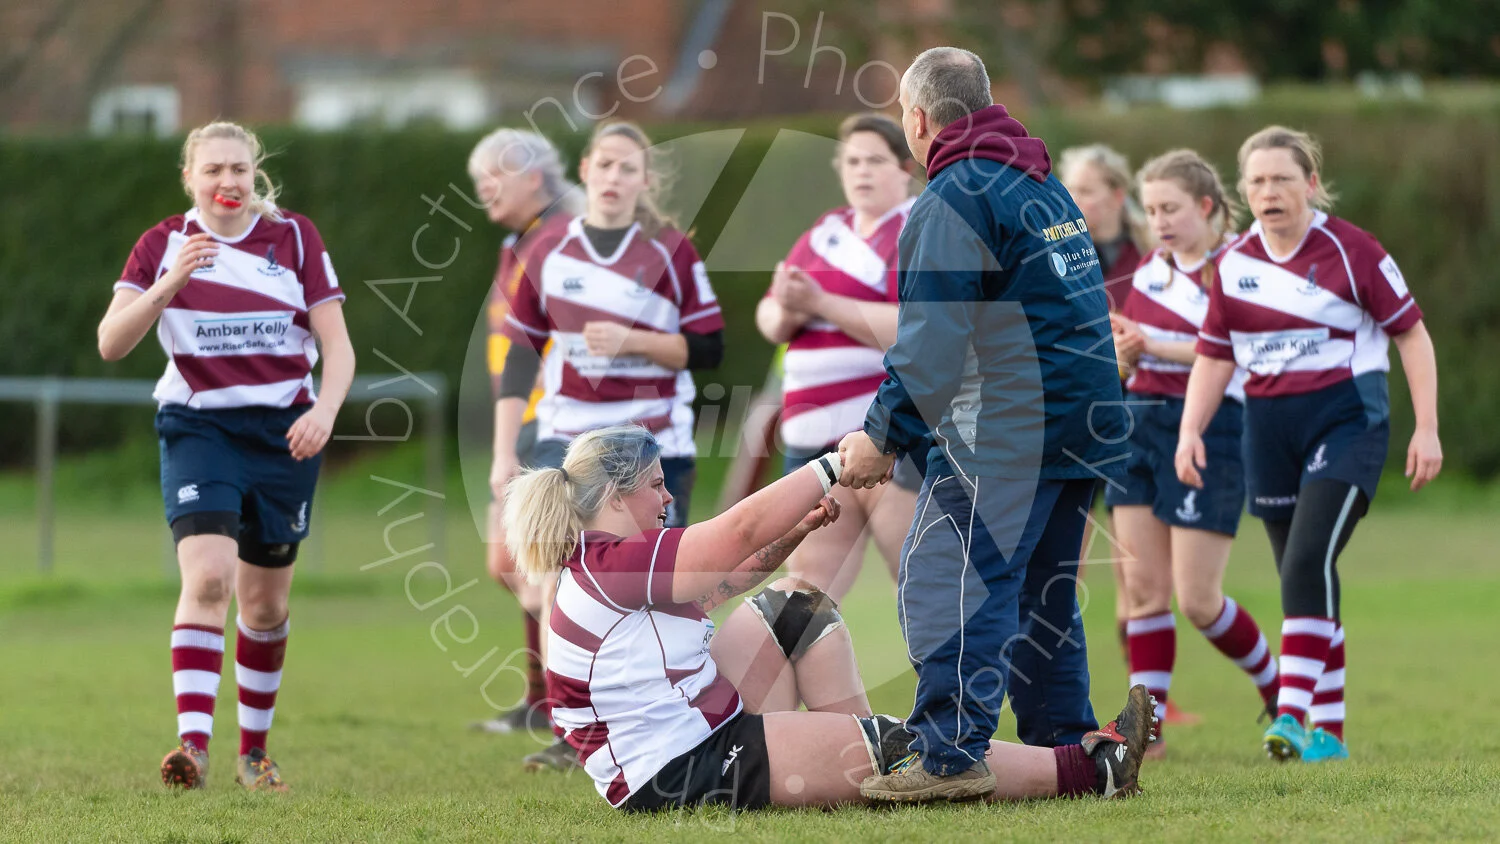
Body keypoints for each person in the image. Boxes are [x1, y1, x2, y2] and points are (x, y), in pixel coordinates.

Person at [504, 424, 1158, 810]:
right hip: (678, 772)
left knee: (796, 603)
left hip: (683, 738)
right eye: (655, 485)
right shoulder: (614, 562)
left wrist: (797, 531)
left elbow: (729, 578)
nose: (667, 495)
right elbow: (737, 531)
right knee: (911, 744)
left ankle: (883, 763)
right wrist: (835, 465)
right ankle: (1092, 768)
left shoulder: (605, 560)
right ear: (618, 497)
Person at [838, 47, 1132, 801]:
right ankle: (1070, 753)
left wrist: (881, 432)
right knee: (1044, 594)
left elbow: (931, 340)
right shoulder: (1039, 182)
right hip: (1082, 424)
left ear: (919, 118)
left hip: (1003, 429)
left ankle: (949, 757)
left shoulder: (954, 197)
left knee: (948, 581)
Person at [96, 121, 355, 791]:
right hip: (198, 427)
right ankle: (194, 747)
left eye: (238, 169)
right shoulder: (162, 244)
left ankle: (254, 754)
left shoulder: (294, 237)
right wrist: (169, 283)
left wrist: (324, 412)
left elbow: (339, 344)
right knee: (209, 579)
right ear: (190, 178)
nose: (228, 182)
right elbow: (111, 343)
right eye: (213, 170)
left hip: (284, 435)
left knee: (264, 606)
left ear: (254, 173)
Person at [1177, 125, 1442, 764]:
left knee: (1305, 564)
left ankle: (1292, 716)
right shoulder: (1234, 263)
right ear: (1245, 190)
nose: (1270, 192)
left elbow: (1412, 335)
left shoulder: (1354, 252)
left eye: (1283, 180)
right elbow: (1214, 356)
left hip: (1348, 425)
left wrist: (1427, 427)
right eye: (1258, 181)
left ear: (1311, 185)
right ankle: (1332, 735)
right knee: (1306, 579)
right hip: (1267, 433)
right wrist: (1190, 429)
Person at [497, 120, 725, 770]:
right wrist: (500, 449)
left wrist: (633, 341)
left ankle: (670, 712)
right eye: (605, 166)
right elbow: (517, 355)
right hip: (570, 443)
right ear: (586, 171)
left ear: (645, 181)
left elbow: (709, 348)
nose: (616, 179)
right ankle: (575, 727)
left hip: (655, 446)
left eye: (629, 168)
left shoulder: (671, 251)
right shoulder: (547, 250)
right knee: (549, 585)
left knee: (660, 586)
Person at [1108, 149, 1279, 755]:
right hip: (1137, 427)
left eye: (1171, 208)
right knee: (1146, 591)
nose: (1159, 220)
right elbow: (1135, 352)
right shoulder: (1150, 269)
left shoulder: (1241, 266)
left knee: (1199, 601)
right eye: (1151, 209)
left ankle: (1278, 685)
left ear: (1206, 207)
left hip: (1210, 429)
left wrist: (1151, 341)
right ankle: (1144, 733)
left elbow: (1235, 352)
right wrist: (1124, 349)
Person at [750, 112, 920, 600]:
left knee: (921, 584)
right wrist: (787, 307)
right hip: (809, 438)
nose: (861, 171)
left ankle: (959, 677)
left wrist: (822, 303)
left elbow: (915, 329)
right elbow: (770, 317)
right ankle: (811, 677)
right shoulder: (827, 229)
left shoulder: (915, 228)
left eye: (874, 160)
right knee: (803, 598)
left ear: (904, 168)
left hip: (880, 435)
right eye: (851, 161)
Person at [466, 128, 586, 736]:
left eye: (495, 174)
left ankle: (567, 704)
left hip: (557, 418)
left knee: (543, 565)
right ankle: (545, 697)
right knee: (509, 562)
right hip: (524, 416)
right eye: (478, 177)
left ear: (534, 177)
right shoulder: (521, 241)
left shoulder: (564, 237)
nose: (483, 186)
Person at [1058, 144, 1154, 673]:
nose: (1075, 201)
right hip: (1075, 424)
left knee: (1133, 574)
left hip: (1138, 424)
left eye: (1087, 191)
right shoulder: (1058, 259)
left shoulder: (1154, 259)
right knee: (1064, 568)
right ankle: (1063, 684)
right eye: (1070, 191)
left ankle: (1151, 694)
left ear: (1117, 194)